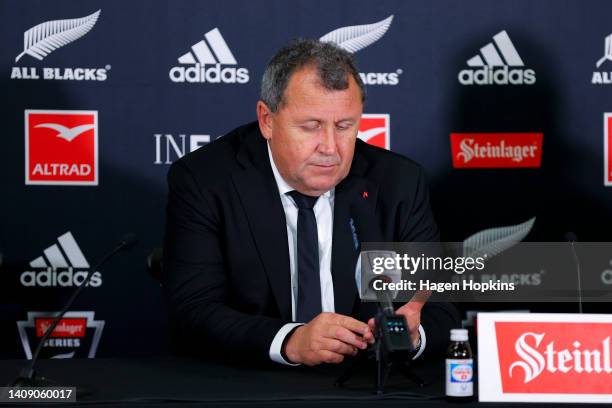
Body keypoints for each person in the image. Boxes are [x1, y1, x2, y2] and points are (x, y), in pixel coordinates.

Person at [162, 39, 460, 366]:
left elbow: (440, 309)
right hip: (251, 382)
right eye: (311, 126)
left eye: (345, 126)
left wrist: (412, 335)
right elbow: (194, 310)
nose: (330, 147)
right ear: (267, 120)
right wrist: (290, 340)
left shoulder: (398, 182)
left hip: (363, 382)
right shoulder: (206, 180)